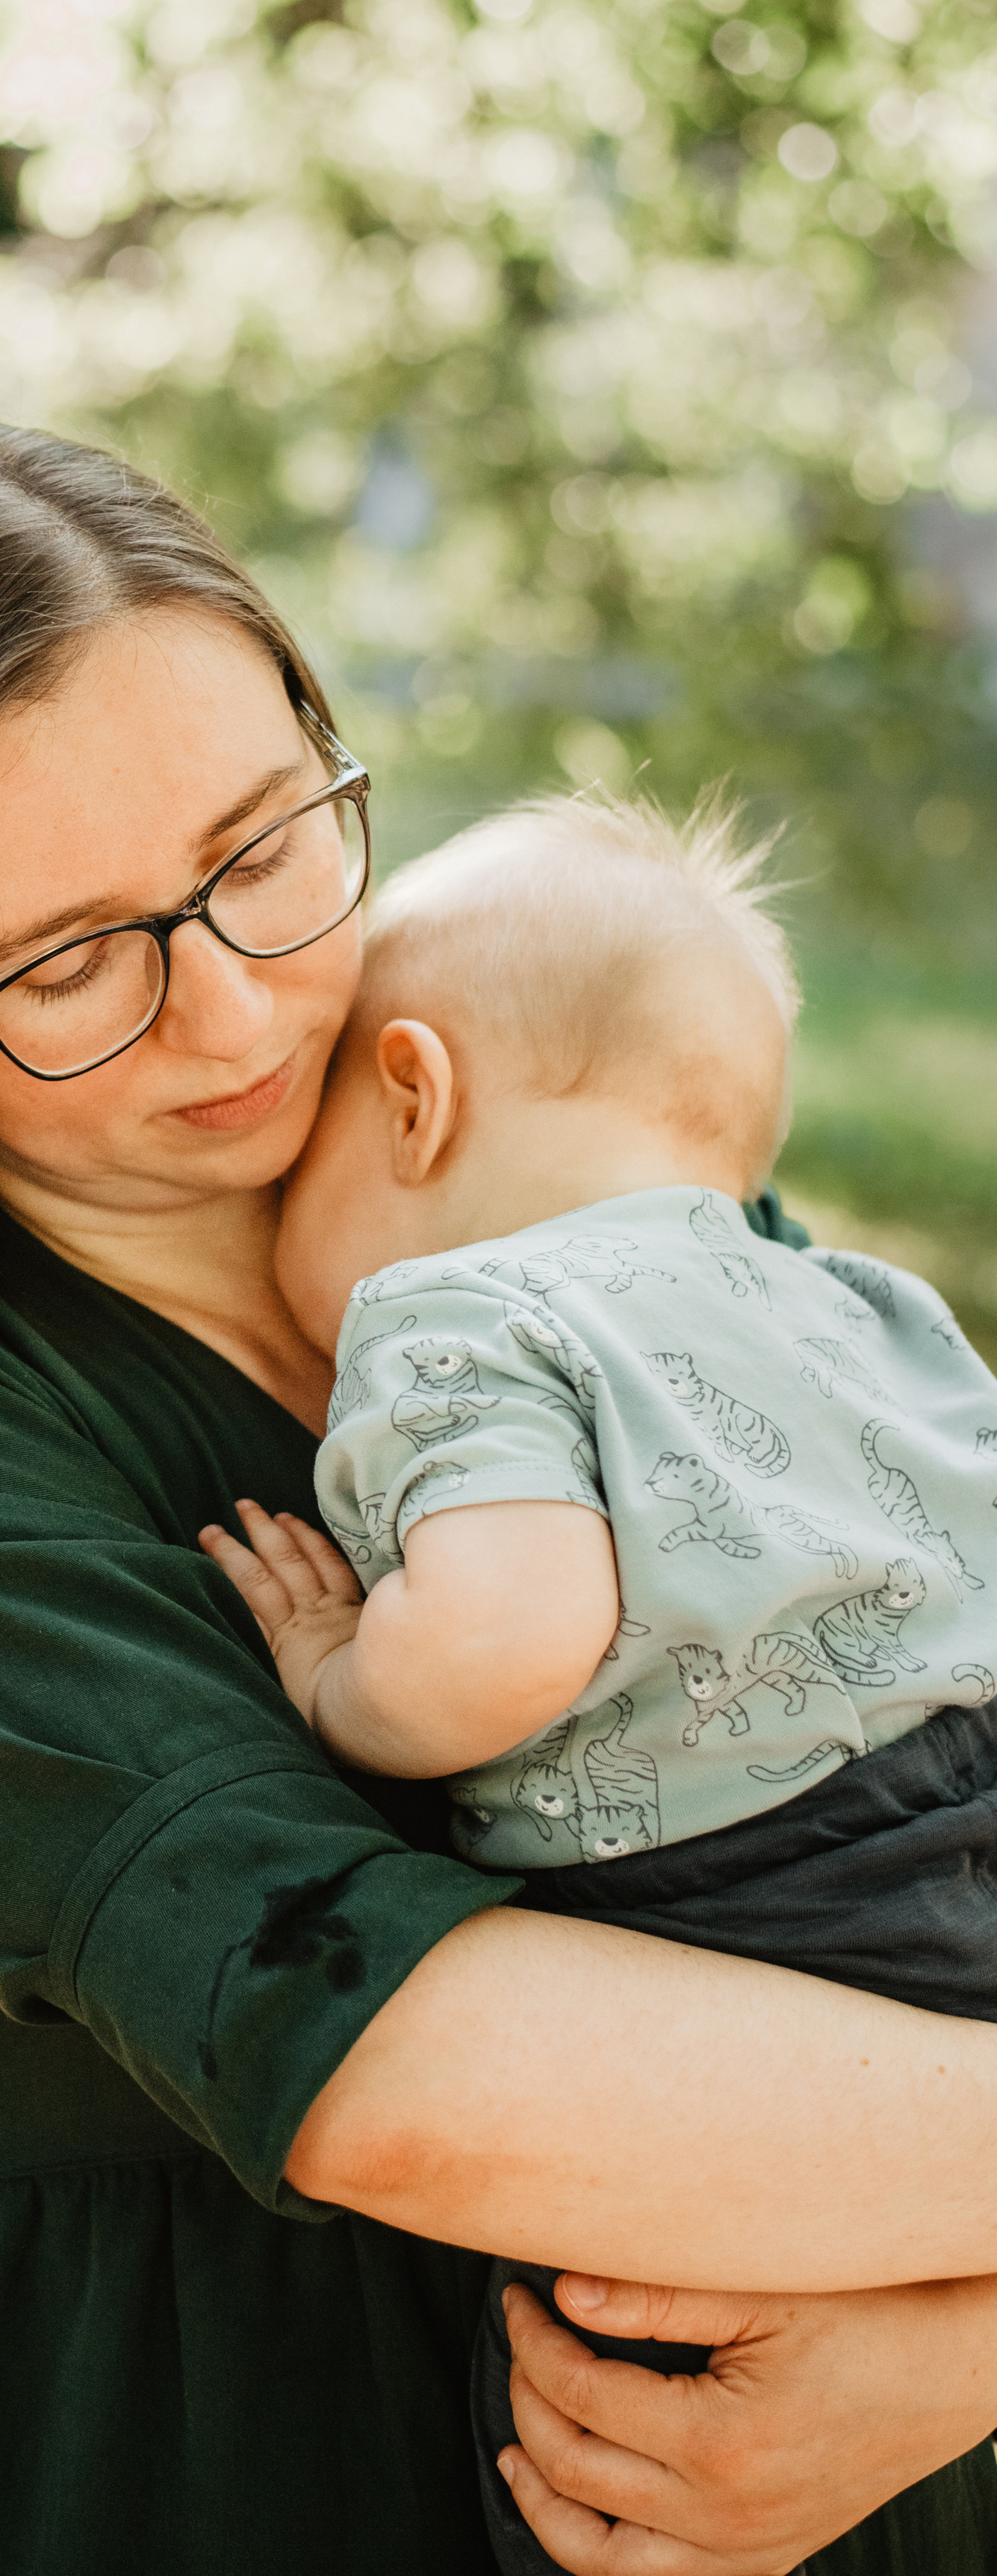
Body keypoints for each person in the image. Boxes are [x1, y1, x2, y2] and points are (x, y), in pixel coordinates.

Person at [0, 420, 997, 2576]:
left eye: (265, 852)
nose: (233, 1010)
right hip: (225, 2468)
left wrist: (957, 2352)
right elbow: (398, 2057)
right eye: (62, 965)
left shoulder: (557, 1189)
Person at [196, 788, 997, 2575]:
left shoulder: (460, 1311)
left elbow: (500, 1638)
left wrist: (333, 1674)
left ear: (410, 1095)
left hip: (736, 1902)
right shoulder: (865, 1305)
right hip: (968, 1853)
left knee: (615, 2420)